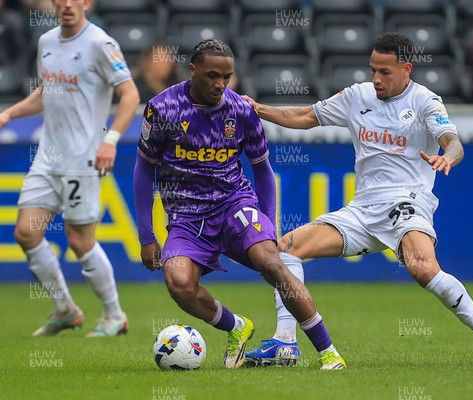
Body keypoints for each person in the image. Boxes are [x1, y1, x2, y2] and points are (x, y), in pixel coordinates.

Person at [243, 33, 473, 367]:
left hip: (407, 201)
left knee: (422, 268)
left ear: (407, 69)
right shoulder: (357, 96)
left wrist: (448, 156)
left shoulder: (425, 101)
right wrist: (258, 109)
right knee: (284, 250)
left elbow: (453, 141)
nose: (376, 79)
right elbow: (305, 117)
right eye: (373, 70)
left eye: (384, 72)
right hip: (362, 209)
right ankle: (285, 343)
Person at [133, 38, 346, 370]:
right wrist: (147, 236)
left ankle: (328, 352)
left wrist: (269, 225)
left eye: (227, 77)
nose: (220, 84)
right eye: (212, 76)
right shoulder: (162, 108)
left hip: (233, 204)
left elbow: (262, 170)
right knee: (178, 283)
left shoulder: (241, 110)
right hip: (187, 218)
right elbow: (144, 169)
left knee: (272, 262)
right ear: (193, 70)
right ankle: (236, 327)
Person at [0, 0, 140, 336]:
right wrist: (8, 114)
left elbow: (130, 94)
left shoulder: (100, 44)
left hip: (83, 158)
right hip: (48, 157)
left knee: (80, 241)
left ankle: (114, 314)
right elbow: (46, 92)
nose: (66, 4)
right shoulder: (46, 42)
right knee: (26, 233)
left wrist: (111, 140)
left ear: (86, 3)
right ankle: (65, 309)